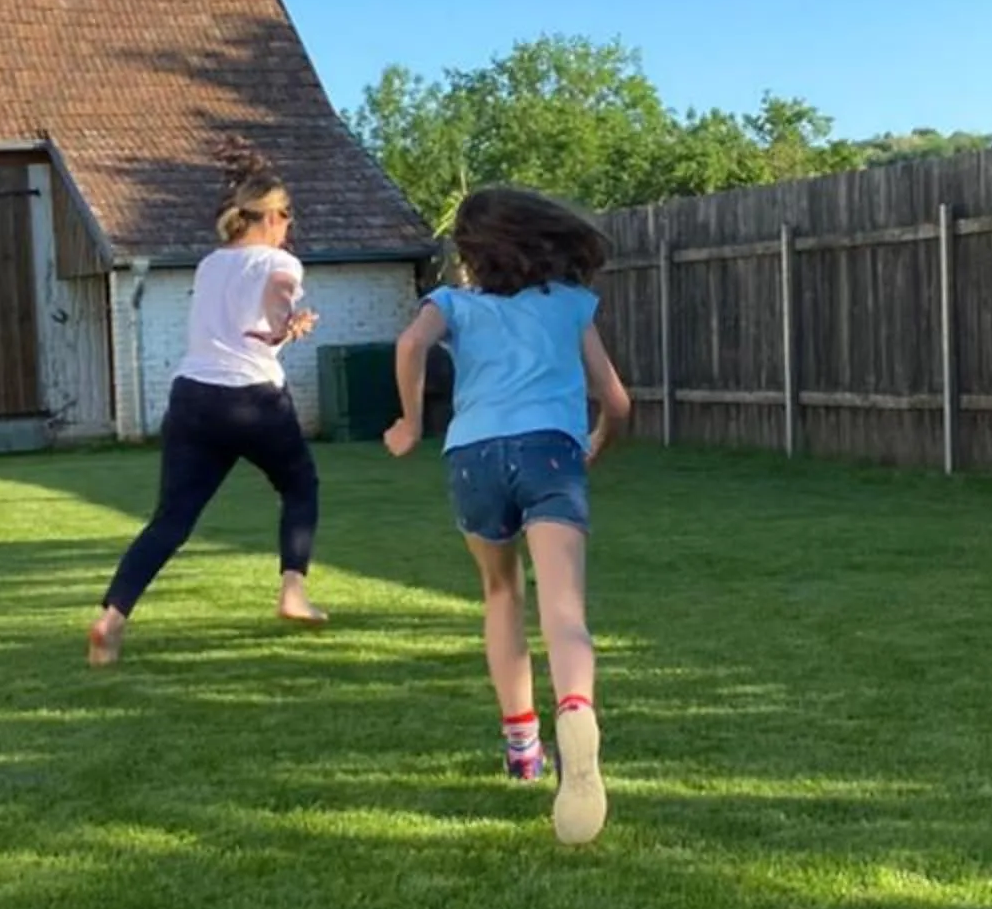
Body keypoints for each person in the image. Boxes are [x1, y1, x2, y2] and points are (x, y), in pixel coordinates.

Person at [384, 185, 631, 847]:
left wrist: (410, 423)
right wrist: (593, 447)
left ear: (472, 254)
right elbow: (616, 399)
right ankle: (575, 711)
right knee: (565, 608)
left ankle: (523, 749)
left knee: (501, 593)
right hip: (552, 449)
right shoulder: (571, 305)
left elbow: (410, 347)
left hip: (474, 455)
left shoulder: (451, 304)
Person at [89, 149, 325, 664]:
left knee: (171, 519)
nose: (289, 225)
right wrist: (285, 316)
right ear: (267, 216)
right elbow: (274, 301)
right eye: (286, 215)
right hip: (254, 400)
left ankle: (111, 619)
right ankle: (293, 592)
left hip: (193, 397)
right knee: (300, 485)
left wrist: (284, 330)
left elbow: (242, 334)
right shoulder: (281, 261)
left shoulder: (212, 263)